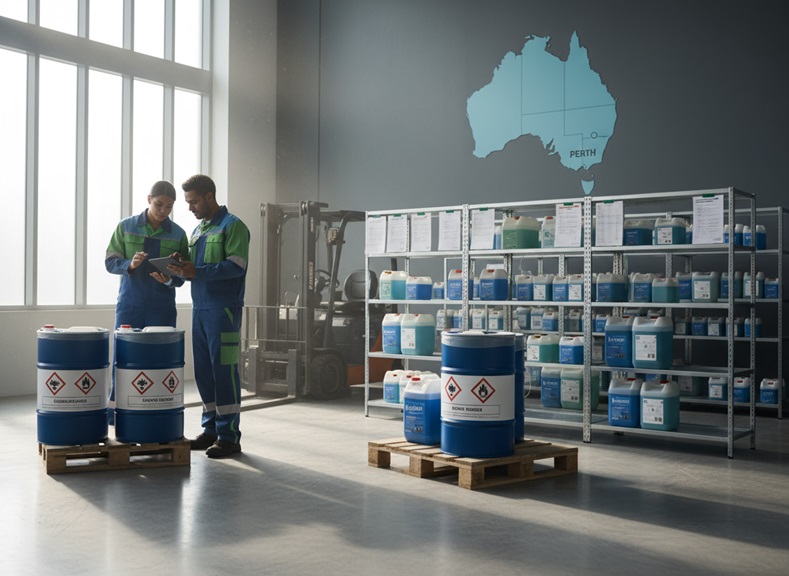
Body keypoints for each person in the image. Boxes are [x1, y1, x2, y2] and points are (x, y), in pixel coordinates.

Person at [166, 174, 250, 459]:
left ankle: (229, 437)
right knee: (204, 372)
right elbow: (193, 268)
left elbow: (236, 266)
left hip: (224, 311)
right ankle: (211, 429)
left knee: (224, 372)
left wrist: (197, 271)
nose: (190, 207)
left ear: (209, 196)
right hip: (200, 310)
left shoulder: (233, 226)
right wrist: (178, 267)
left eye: (193, 201)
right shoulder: (199, 230)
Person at [105, 181, 190, 421]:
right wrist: (129, 264)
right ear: (148, 199)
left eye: (169, 207)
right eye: (158, 204)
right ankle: (115, 414)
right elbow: (110, 261)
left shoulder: (178, 234)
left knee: (160, 358)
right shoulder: (126, 227)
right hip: (130, 304)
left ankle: (156, 410)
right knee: (123, 357)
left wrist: (168, 280)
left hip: (162, 306)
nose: (163, 211)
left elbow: (183, 276)